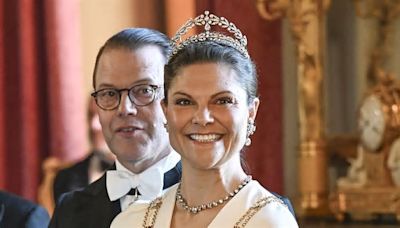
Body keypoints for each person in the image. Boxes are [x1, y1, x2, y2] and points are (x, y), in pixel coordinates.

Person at [111, 11, 299, 227]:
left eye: (222, 101)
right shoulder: (131, 221)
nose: (202, 117)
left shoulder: (269, 222)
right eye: (184, 102)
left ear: (251, 111)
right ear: (165, 110)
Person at [49, 28, 181, 228]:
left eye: (144, 90)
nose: (124, 109)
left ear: (176, 99)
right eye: (109, 93)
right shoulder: (71, 211)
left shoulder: (213, 199)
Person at [53, 98, 115, 204]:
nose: (93, 125)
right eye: (90, 115)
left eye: (101, 117)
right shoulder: (66, 178)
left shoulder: (146, 177)